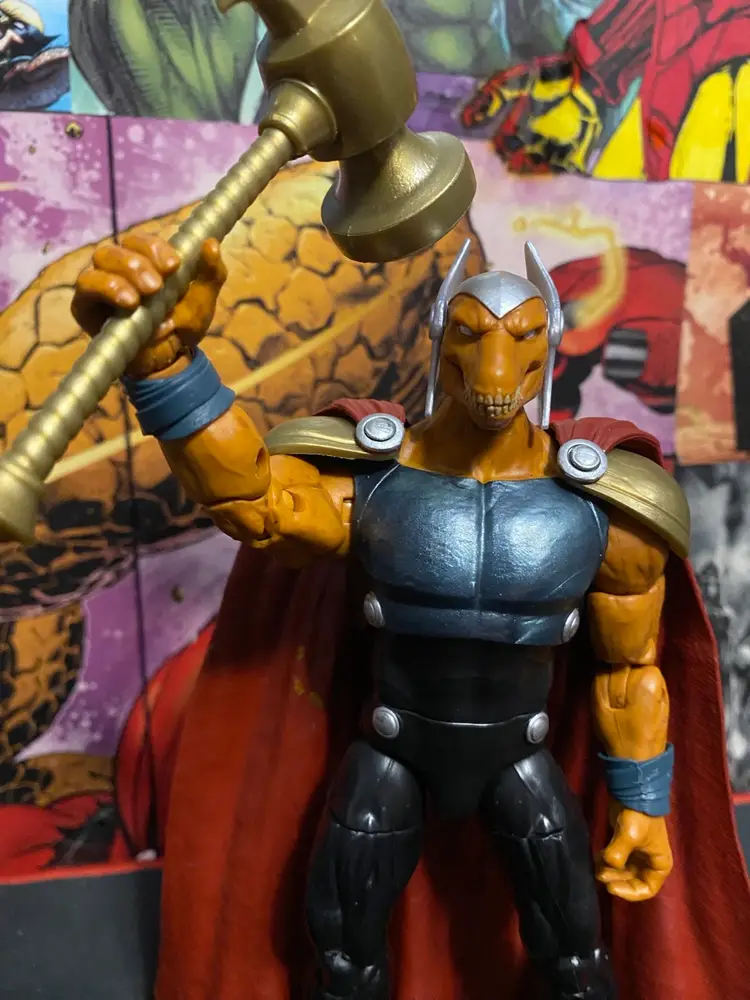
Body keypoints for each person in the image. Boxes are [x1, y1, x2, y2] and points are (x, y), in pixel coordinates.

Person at [70, 232, 750, 1000]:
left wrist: (642, 806)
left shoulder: (603, 510)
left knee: (575, 953)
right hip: (392, 751)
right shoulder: (378, 482)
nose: (496, 366)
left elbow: (629, 674)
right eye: (472, 335)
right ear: (440, 338)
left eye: (521, 339)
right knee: (343, 954)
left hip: (521, 760)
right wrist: (169, 367)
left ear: (549, 346)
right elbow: (255, 501)